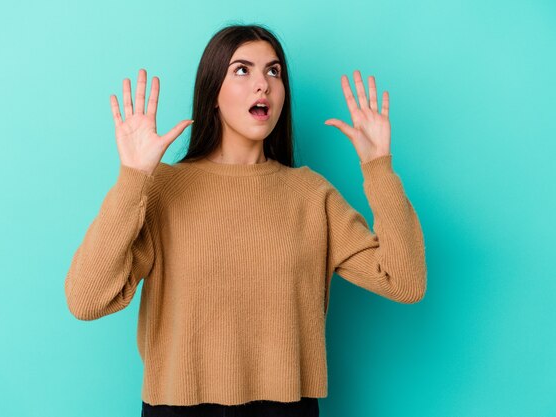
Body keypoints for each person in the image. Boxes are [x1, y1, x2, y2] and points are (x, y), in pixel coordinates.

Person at [64, 23, 427, 417]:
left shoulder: (309, 194)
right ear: (212, 94)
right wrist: (133, 178)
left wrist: (378, 169)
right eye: (243, 70)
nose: (264, 85)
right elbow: (86, 300)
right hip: (179, 408)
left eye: (274, 71)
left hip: (286, 408)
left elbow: (404, 282)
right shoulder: (163, 190)